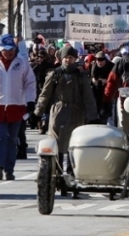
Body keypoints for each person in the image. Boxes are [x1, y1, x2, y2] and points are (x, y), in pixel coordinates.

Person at [0, 34, 36, 181]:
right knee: (0, 136)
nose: (9, 52)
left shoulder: (22, 63)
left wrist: (30, 101)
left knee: (12, 139)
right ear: (0, 49)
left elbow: (30, 83)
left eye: (11, 49)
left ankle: (9, 169)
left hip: (16, 107)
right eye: (5, 49)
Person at [35, 45, 98, 176]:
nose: (68, 60)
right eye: (65, 58)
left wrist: (92, 115)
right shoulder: (55, 74)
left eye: (70, 58)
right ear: (61, 58)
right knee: (56, 144)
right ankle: (55, 172)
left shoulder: (81, 76)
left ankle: (72, 172)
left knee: (73, 144)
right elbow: (45, 95)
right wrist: (38, 113)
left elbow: (88, 97)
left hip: (76, 113)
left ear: (75, 59)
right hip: (58, 113)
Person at [89, 50, 114, 124]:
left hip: (107, 92)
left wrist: (106, 81)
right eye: (98, 60)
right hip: (96, 92)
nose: (100, 62)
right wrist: (93, 80)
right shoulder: (93, 65)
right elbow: (91, 76)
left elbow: (114, 79)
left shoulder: (111, 66)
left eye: (101, 60)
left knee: (104, 114)